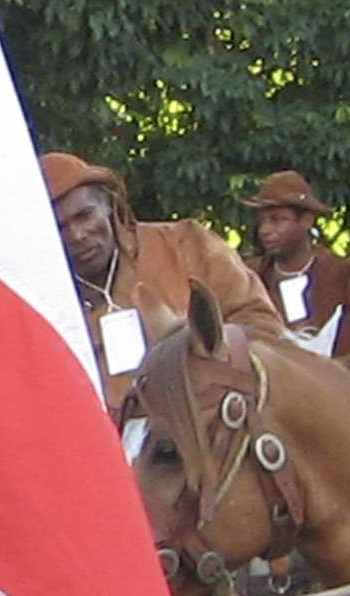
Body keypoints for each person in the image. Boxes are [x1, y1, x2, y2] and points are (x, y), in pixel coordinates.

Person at [45, 151, 282, 410]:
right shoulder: (44, 304)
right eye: (59, 227)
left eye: (85, 215)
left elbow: (263, 327)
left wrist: (198, 352)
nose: (77, 235)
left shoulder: (186, 245)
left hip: (215, 425)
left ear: (109, 207)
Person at [237, 170, 350, 374]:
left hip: (342, 397)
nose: (265, 229)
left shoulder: (349, 276)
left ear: (307, 220)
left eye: (277, 219)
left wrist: (331, 371)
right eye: (262, 221)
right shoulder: (249, 279)